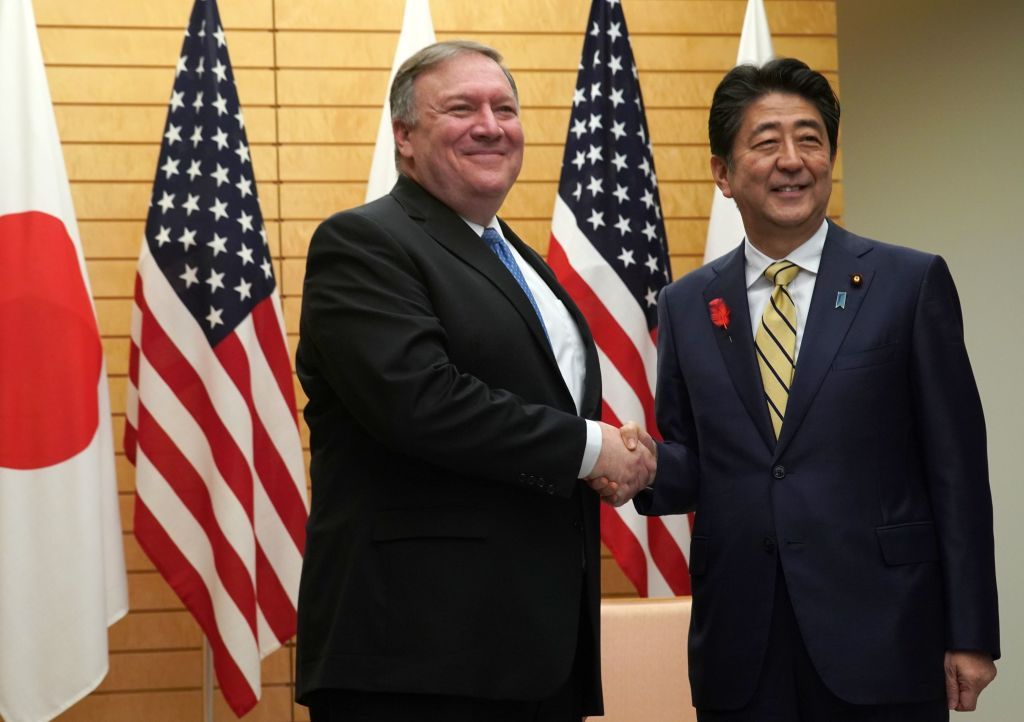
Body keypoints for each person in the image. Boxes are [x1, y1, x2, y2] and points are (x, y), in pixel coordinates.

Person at [607, 57, 1000, 720]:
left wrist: (971, 634)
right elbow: (695, 462)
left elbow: (957, 471)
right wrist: (642, 464)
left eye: (810, 139)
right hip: (743, 643)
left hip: (884, 636)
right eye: (765, 142)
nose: (792, 159)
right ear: (723, 174)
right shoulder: (685, 305)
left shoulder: (908, 284)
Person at [293, 40, 653, 722]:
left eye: (505, 108)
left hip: (532, 653)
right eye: (462, 108)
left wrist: (611, 457)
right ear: (404, 137)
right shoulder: (365, 242)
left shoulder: (517, 257)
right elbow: (420, 402)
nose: (491, 125)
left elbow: (538, 407)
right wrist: (590, 448)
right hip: (419, 658)